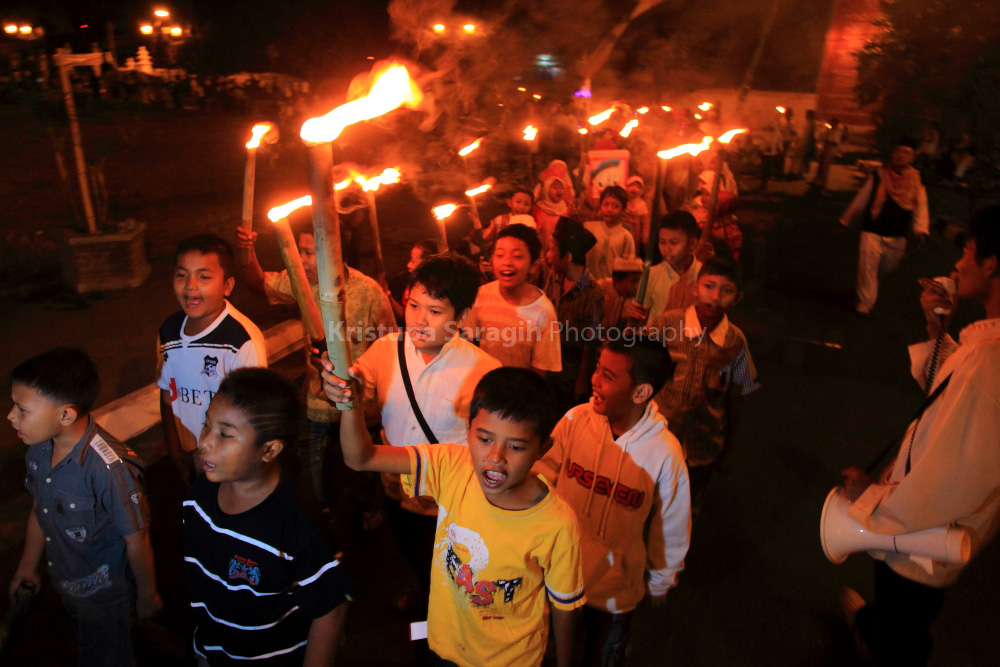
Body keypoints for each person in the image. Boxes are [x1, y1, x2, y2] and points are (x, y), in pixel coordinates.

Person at [325, 366, 586, 667]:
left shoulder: (557, 524)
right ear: (468, 430)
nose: (495, 458)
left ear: (543, 449)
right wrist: (351, 406)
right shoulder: (451, 466)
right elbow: (362, 457)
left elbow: (565, 607)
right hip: (445, 646)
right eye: (485, 439)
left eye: (515, 446)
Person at [839, 206, 1000, 666]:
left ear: (991, 265)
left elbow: (957, 474)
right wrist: (937, 330)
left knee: (904, 629)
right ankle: (873, 626)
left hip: (923, 533)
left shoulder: (991, 361)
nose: (958, 264)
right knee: (898, 613)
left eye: (967, 252)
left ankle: (875, 639)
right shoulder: (985, 348)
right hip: (925, 529)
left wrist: (873, 499)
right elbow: (951, 392)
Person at [324, 253, 501, 612]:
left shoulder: (484, 371)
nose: (419, 320)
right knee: (407, 549)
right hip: (393, 485)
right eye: (413, 305)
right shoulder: (387, 349)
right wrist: (338, 382)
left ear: (462, 317)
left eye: (434, 312)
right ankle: (424, 597)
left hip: (448, 502)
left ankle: (442, 622)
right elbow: (357, 380)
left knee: (451, 566)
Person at [537, 336, 691, 666]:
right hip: (558, 573)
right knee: (550, 650)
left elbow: (672, 523)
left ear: (641, 392)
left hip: (614, 593)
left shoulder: (665, 453)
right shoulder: (576, 420)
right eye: (597, 369)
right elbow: (542, 476)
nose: (594, 379)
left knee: (601, 656)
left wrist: (664, 578)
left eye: (608, 375)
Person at [184, 368, 351, 665]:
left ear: (269, 449)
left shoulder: (298, 525)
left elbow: (330, 608)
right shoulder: (199, 496)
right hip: (211, 651)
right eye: (206, 426)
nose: (205, 442)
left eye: (225, 434)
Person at [8, 348, 160, 667]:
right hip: (66, 582)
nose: (11, 416)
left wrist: (147, 595)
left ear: (65, 415)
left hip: (109, 598)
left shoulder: (110, 470)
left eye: (22, 409)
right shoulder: (37, 449)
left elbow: (137, 539)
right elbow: (41, 509)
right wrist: (27, 566)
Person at [236, 224, 394, 507]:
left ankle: (366, 520)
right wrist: (247, 249)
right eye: (299, 251)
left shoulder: (369, 291)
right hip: (316, 406)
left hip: (361, 410)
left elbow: (390, 347)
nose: (301, 259)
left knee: (362, 480)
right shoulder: (300, 281)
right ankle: (325, 534)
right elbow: (258, 284)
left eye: (308, 252)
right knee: (314, 485)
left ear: (334, 253)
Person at [643, 257, 760, 510]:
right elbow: (638, 369)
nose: (715, 296)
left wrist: (729, 450)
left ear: (737, 297)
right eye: (709, 286)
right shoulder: (667, 324)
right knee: (643, 505)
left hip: (701, 450)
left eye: (726, 290)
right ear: (695, 288)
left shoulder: (735, 342)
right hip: (656, 440)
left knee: (683, 513)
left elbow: (736, 401)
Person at [158, 234, 267, 482]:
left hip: (228, 463)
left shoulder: (242, 340)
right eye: (182, 274)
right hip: (187, 458)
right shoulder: (169, 330)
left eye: (204, 277)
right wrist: (176, 452)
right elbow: (167, 392)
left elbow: (250, 414)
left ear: (227, 286)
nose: (190, 286)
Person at [840, 137, 929, 316]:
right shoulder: (878, 176)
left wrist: (920, 229)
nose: (901, 156)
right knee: (867, 267)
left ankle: (870, 288)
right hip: (872, 229)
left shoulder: (916, 182)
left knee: (885, 268)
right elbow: (862, 199)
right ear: (893, 154)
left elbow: (921, 206)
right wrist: (847, 219)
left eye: (906, 153)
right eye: (898, 152)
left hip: (897, 235)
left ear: (912, 158)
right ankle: (865, 304)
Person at [465, 224, 563, 376]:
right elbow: (468, 346)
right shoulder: (480, 296)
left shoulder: (543, 311)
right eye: (500, 255)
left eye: (517, 256)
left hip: (520, 393)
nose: (507, 262)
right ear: (491, 260)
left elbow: (540, 372)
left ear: (533, 265)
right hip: (484, 388)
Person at [544, 217, 603, 411]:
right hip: (549, 366)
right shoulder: (553, 278)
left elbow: (591, 342)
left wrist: (582, 380)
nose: (548, 255)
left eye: (553, 249)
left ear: (568, 257)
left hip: (572, 373)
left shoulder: (592, 293)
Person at [630, 211, 702, 323]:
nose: (666, 248)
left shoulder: (703, 275)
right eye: (662, 242)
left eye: (674, 243)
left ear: (692, 243)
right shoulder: (652, 274)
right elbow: (643, 316)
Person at [585, 186, 636, 282]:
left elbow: (628, 270)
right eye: (606, 204)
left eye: (616, 206)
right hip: (587, 283)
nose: (609, 209)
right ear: (600, 205)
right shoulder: (589, 228)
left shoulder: (626, 237)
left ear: (623, 209)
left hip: (611, 288)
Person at [388, 239, 439, 324]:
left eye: (413, 261)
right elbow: (405, 313)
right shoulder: (413, 282)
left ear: (426, 264)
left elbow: (409, 319)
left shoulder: (431, 293)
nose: (408, 265)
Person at [598, 256, 643, 334]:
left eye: (640, 281)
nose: (637, 286)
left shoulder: (638, 301)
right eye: (634, 281)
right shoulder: (600, 288)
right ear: (618, 280)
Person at [812, 118, 845, 192]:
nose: (831, 124)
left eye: (832, 123)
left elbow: (835, 142)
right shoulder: (829, 130)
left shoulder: (837, 131)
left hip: (830, 149)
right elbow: (823, 137)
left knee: (825, 168)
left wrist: (827, 141)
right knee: (821, 166)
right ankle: (817, 182)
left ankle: (824, 185)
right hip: (826, 148)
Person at [623, 176, 650, 257]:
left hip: (635, 233)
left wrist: (644, 238)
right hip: (621, 229)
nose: (634, 189)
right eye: (631, 185)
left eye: (638, 187)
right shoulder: (622, 201)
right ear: (626, 186)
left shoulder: (642, 204)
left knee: (632, 251)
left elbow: (645, 223)